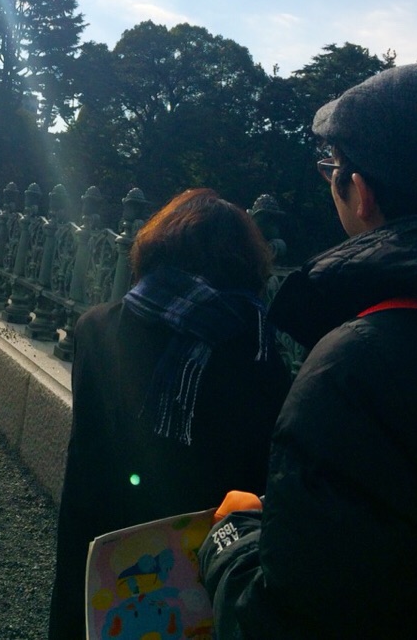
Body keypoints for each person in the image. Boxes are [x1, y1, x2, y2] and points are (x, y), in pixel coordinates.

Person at [199, 64, 417, 639]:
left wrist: (236, 542)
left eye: (332, 167)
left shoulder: (359, 363)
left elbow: (285, 618)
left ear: (361, 192)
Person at [48, 189, 291, 640]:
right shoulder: (257, 350)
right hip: (195, 564)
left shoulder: (96, 327)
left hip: (98, 543)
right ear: (246, 263)